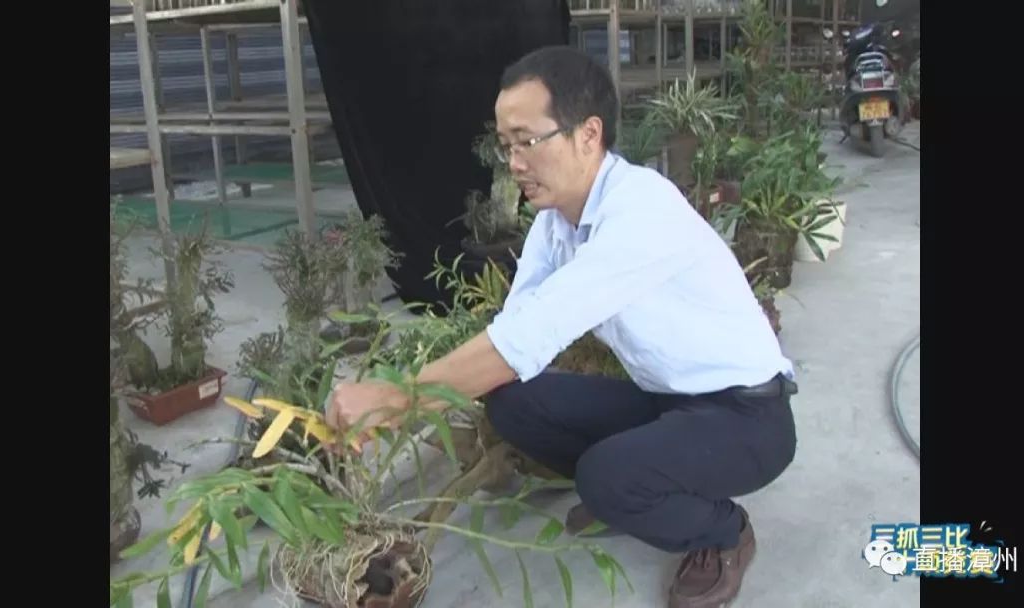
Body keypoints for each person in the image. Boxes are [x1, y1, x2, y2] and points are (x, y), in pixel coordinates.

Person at [325, 45, 798, 608]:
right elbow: (517, 329)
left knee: (605, 477)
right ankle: (639, 484)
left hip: (747, 417)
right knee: (513, 400)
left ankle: (723, 532)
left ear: (588, 135)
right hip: (668, 400)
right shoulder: (556, 222)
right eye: (507, 146)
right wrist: (429, 393)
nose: (515, 162)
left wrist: (397, 398)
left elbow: (529, 335)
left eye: (528, 141)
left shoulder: (641, 213)